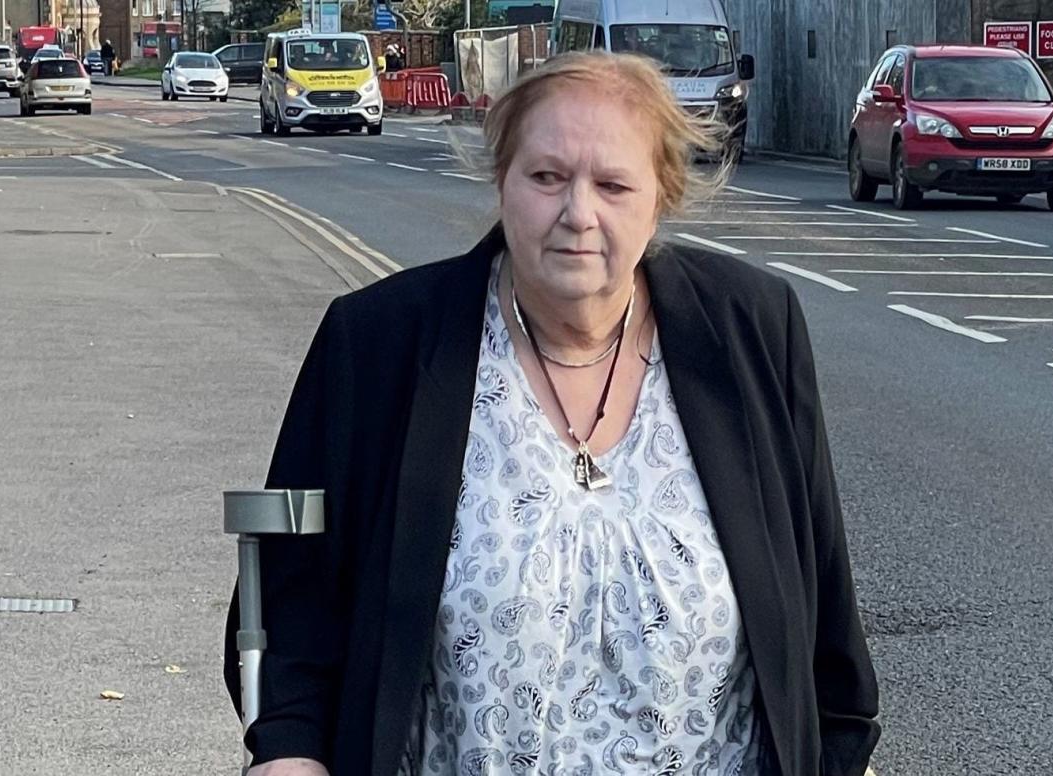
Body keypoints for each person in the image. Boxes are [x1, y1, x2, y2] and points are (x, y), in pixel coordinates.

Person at [225, 50, 880, 776]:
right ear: (501, 181)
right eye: (546, 177)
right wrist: (288, 754)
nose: (578, 213)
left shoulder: (751, 329)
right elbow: (293, 604)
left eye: (612, 184)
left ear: (659, 195)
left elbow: (824, 618)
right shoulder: (379, 344)